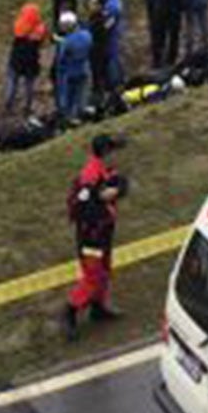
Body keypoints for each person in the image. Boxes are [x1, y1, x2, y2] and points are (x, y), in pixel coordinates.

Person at [62, 135, 125, 340]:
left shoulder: (107, 170)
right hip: (91, 235)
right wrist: (100, 198)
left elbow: (121, 185)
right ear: (105, 152)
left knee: (104, 271)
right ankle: (70, 311)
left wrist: (117, 190)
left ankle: (98, 308)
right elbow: (82, 208)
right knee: (92, 276)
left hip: (104, 230)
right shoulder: (90, 175)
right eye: (114, 150)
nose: (118, 155)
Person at [5, 1, 47, 116]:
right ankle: (27, 106)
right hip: (31, 61)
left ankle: (8, 103)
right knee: (29, 85)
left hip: (16, 59)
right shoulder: (40, 29)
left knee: (12, 82)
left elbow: (15, 41)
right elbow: (41, 41)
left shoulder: (19, 26)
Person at [53, 10, 94, 122]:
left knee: (69, 97)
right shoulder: (87, 35)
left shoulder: (66, 42)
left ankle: (70, 118)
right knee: (83, 94)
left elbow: (61, 59)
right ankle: (82, 112)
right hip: (84, 67)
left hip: (70, 72)